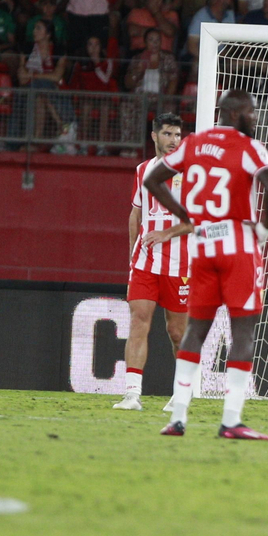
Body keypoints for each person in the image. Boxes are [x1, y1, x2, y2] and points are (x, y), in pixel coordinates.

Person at [143, 89, 268, 441]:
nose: (255, 118)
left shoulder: (192, 143)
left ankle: (178, 418)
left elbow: (152, 180)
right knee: (243, 331)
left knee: (194, 331)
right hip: (237, 247)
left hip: (202, 246)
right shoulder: (249, 147)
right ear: (235, 114)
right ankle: (231, 420)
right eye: (251, 112)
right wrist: (263, 229)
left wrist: (185, 214)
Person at [115, 112, 193, 410]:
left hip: (180, 264)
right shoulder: (142, 170)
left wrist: (166, 233)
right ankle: (132, 394)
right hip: (145, 263)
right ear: (154, 136)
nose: (173, 140)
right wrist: (133, 254)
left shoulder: (192, 174)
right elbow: (135, 213)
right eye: (168, 134)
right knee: (138, 321)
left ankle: (182, 393)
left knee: (177, 333)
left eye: (177, 135)